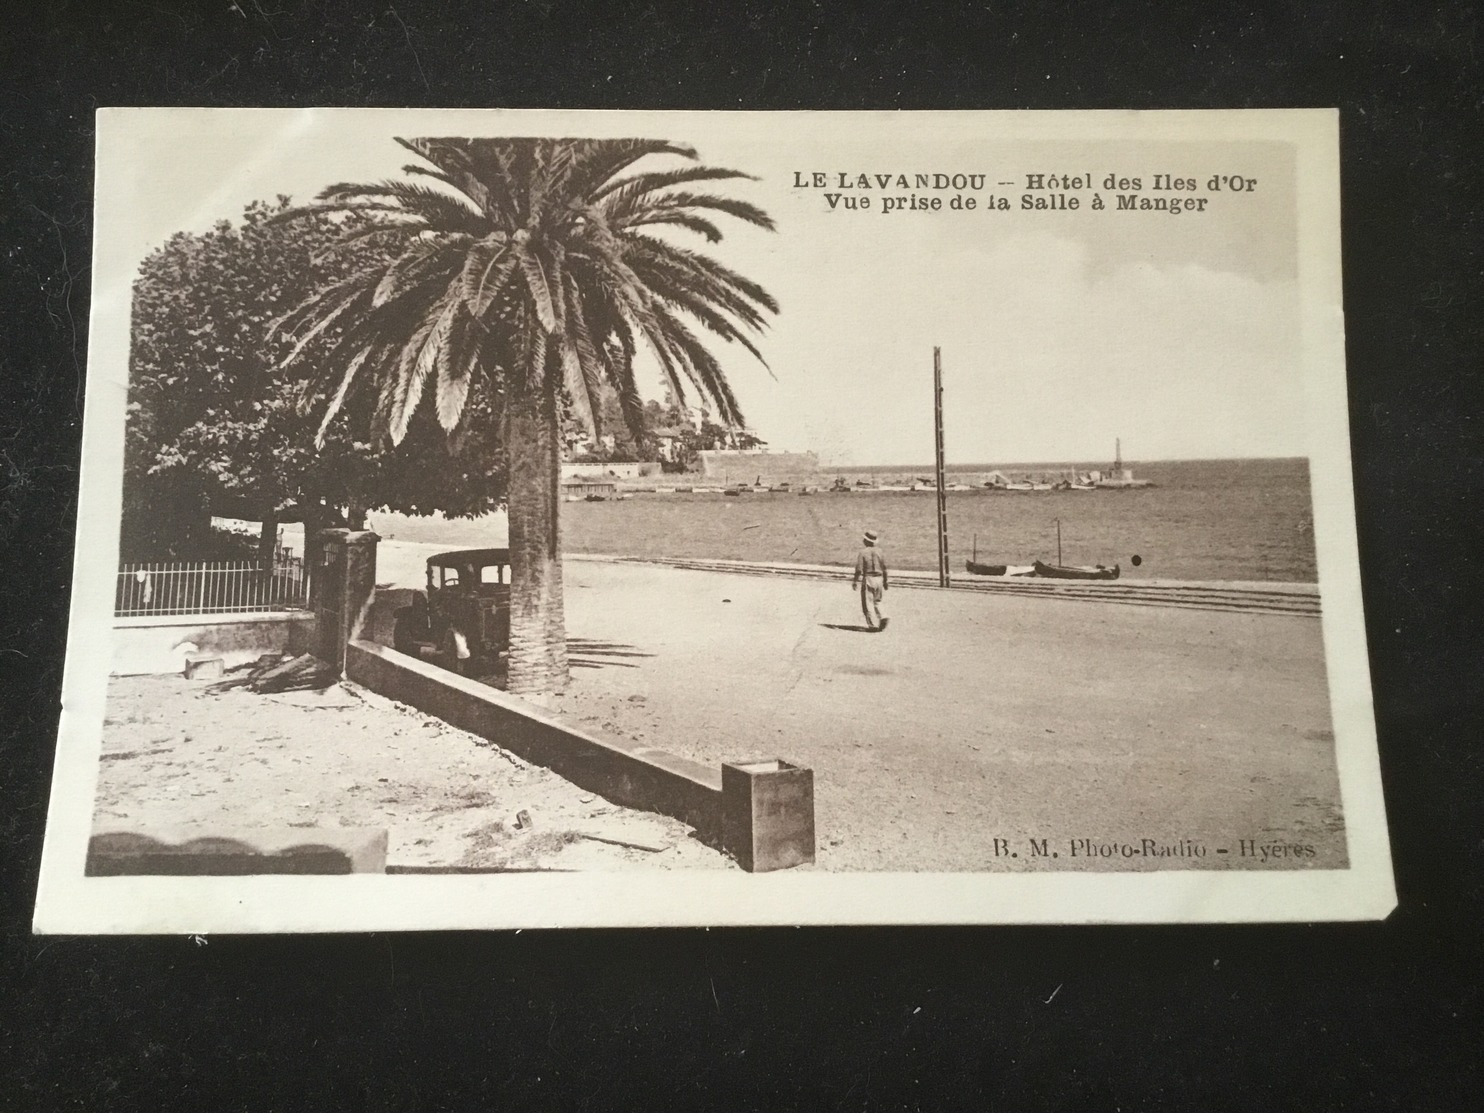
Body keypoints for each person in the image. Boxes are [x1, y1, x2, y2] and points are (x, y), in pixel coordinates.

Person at [852, 530, 889, 631]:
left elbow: (859, 569)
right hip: (879, 578)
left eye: (864, 539)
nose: (863, 540)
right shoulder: (880, 552)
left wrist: (855, 581)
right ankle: (883, 616)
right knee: (878, 601)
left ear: (867, 541)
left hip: (868, 578)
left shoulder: (863, 553)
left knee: (867, 603)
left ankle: (872, 625)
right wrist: (885, 581)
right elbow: (884, 567)